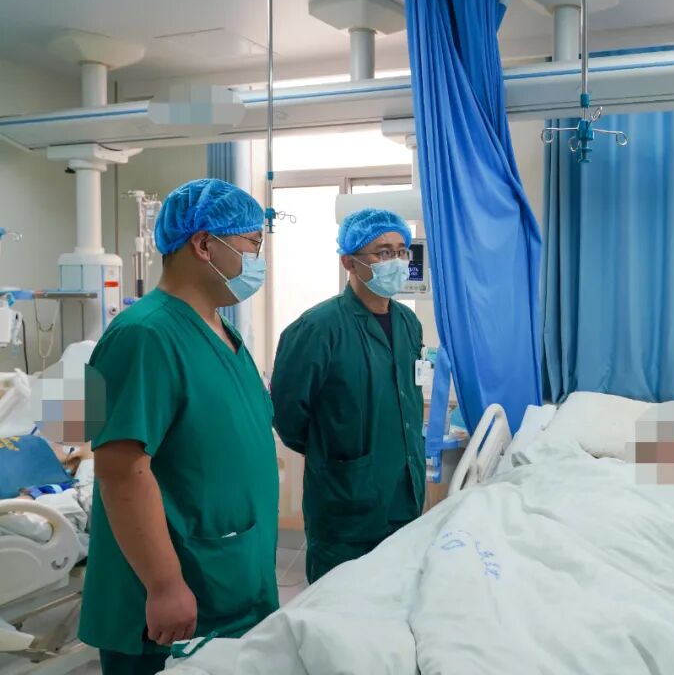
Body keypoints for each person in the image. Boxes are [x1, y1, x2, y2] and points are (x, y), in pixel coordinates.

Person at [79, 179, 279, 675]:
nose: (258, 258)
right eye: (253, 243)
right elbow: (120, 470)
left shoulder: (222, 329)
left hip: (228, 575)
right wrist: (165, 585)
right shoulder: (143, 335)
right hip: (174, 600)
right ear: (204, 244)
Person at [272, 208, 425, 583]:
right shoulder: (317, 328)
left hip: (404, 495)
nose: (396, 261)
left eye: (401, 251)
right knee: (339, 605)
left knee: (395, 599)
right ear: (349, 262)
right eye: (383, 252)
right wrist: (337, 453)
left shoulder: (408, 323)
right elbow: (288, 416)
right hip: (346, 502)